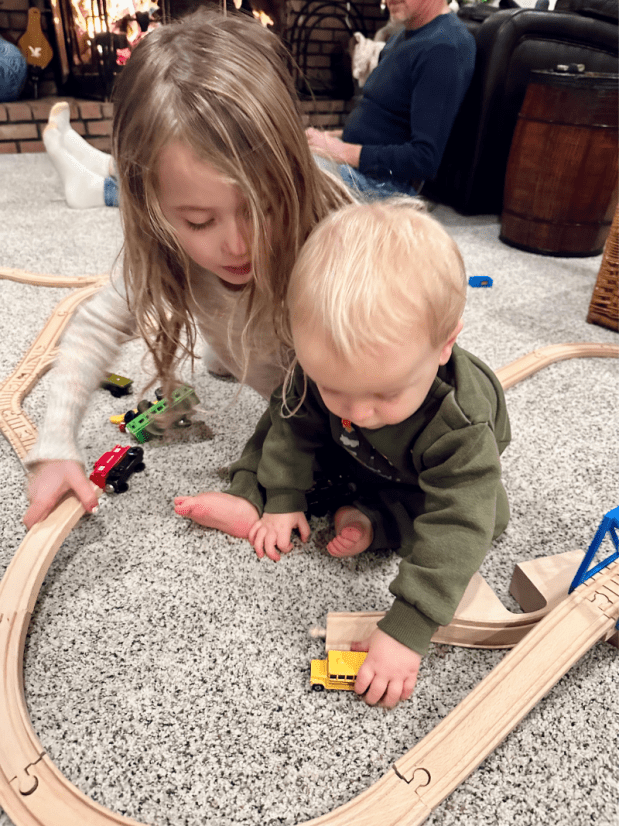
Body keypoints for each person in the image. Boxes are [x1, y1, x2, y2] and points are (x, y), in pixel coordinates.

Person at [23, 9, 354, 529]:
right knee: (228, 355)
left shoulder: (334, 230)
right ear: (152, 208)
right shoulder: (164, 249)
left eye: (263, 206)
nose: (240, 244)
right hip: (249, 351)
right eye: (200, 221)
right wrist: (55, 442)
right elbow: (95, 326)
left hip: (313, 384)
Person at [177, 199, 511, 708]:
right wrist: (283, 496)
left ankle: (375, 520)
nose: (360, 410)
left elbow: (459, 523)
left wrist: (407, 629)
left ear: (445, 346)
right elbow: (294, 428)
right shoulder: (322, 376)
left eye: (384, 395)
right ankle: (249, 494)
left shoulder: (459, 421)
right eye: (335, 387)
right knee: (283, 414)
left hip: (416, 480)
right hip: (353, 456)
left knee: (481, 520)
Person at [306, 0, 476, 198]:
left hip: (384, 187)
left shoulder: (444, 47)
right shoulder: (401, 38)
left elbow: (423, 159)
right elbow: (388, 127)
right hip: (359, 169)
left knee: (288, 171)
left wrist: (342, 151)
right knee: (281, 151)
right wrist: (331, 138)